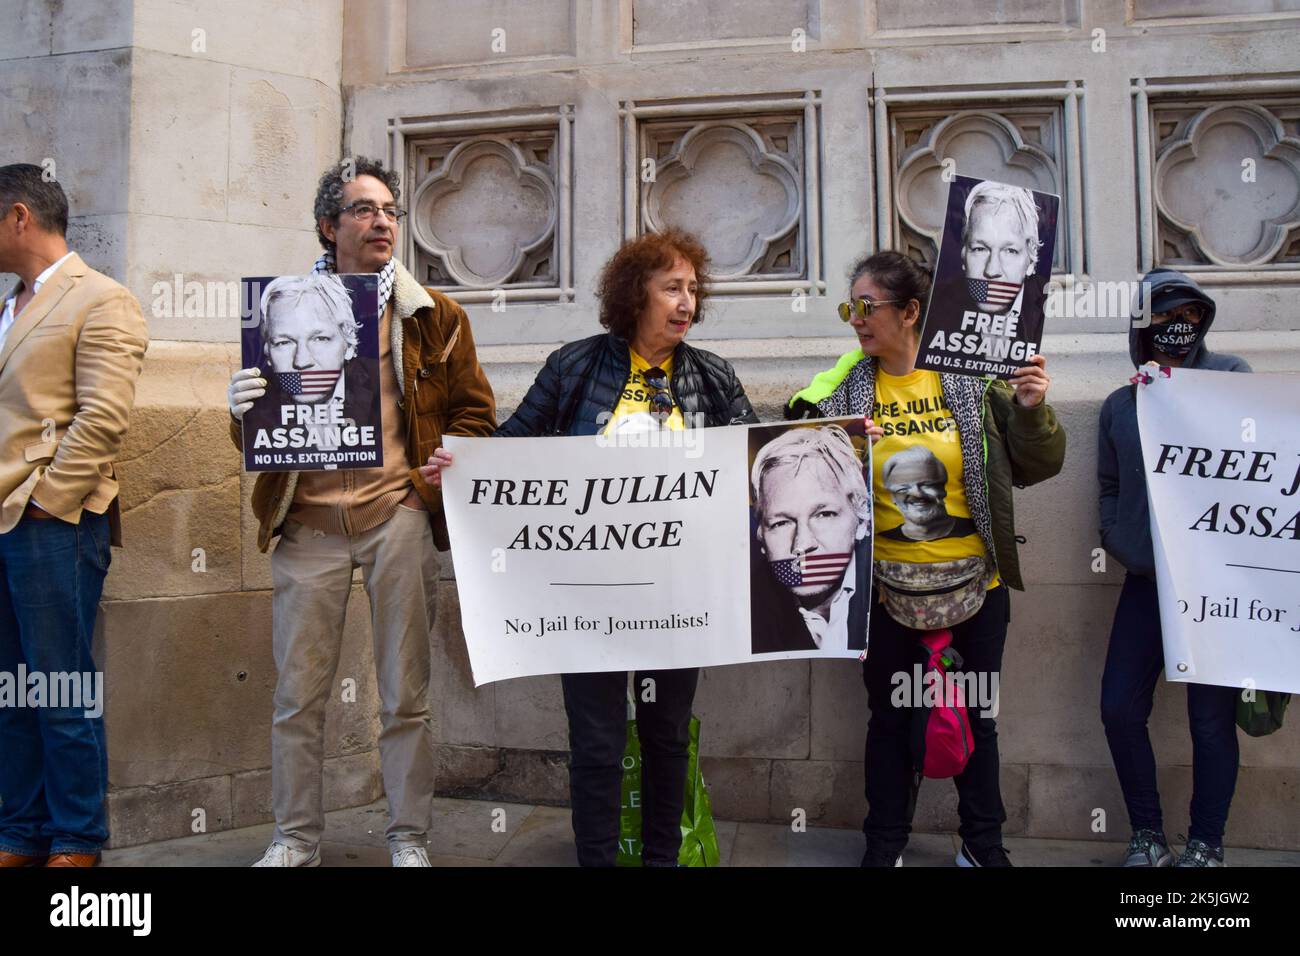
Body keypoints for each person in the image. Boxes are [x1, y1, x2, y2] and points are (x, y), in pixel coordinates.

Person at [423, 227, 757, 866]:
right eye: (671, 288)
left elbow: (759, 455)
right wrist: (461, 463)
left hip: (677, 596)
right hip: (589, 600)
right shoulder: (575, 366)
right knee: (598, 742)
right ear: (636, 296)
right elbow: (515, 441)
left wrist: (841, 441)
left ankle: (661, 860)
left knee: (666, 738)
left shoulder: (712, 376)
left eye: (692, 290)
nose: (686, 302)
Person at [226, 157, 496, 867]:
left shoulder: (433, 315)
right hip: (304, 527)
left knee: (405, 697)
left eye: (389, 211)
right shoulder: (279, 310)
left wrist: (425, 490)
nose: (381, 221)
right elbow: (265, 432)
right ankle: (294, 841)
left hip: (395, 523)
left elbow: (474, 417)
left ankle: (408, 839)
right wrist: (240, 412)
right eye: (363, 210)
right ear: (328, 226)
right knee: (296, 700)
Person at [787, 250, 1065, 867]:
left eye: (868, 307)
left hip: (976, 588)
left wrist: (1030, 408)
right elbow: (794, 429)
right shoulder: (851, 378)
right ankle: (885, 847)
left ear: (911, 312)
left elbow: (1037, 466)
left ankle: (982, 845)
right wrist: (837, 431)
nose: (856, 320)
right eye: (849, 308)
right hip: (885, 592)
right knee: (888, 722)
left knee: (976, 720)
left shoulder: (969, 378)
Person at [0, 164, 149, 867]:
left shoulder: (103, 300)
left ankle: (77, 837)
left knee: (60, 685)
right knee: (12, 687)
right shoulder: (8, 306)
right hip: (3, 522)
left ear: (19, 217)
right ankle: (21, 830)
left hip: (52, 523)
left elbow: (105, 416)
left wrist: (49, 502)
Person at [1097, 268, 1250, 868]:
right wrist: (1118, 536)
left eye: (1187, 314)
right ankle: (1148, 837)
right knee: (1118, 707)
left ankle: (1207, 845)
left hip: (1214, 584)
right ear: (1140, 323)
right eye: (1161, 315)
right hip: (1147, 582)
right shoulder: (1119, 403)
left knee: (1210, 721)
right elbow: (1108, 485)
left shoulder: (1231, 377)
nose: (1175, 326)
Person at [749, 424, 871, 654]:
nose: (802, 544)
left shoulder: (881, 601)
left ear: (861, 519)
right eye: (781, 523)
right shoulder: (749, 613)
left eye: (824, 514)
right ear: (761, 535)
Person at [242, 274, 379, 450]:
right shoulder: (258, 399)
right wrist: (240, 420)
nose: (301, 360)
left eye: (320, 339)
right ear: (268, 352)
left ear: (349, 344)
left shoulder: (382, 383)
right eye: (284, 342)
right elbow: (254, 449)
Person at [931, 180, 1050, 346]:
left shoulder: (1053, 308)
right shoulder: (935, 309)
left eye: (1010, 251)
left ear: (1030, 261)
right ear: (964, 254)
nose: (992, 270)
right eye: (980, 249)